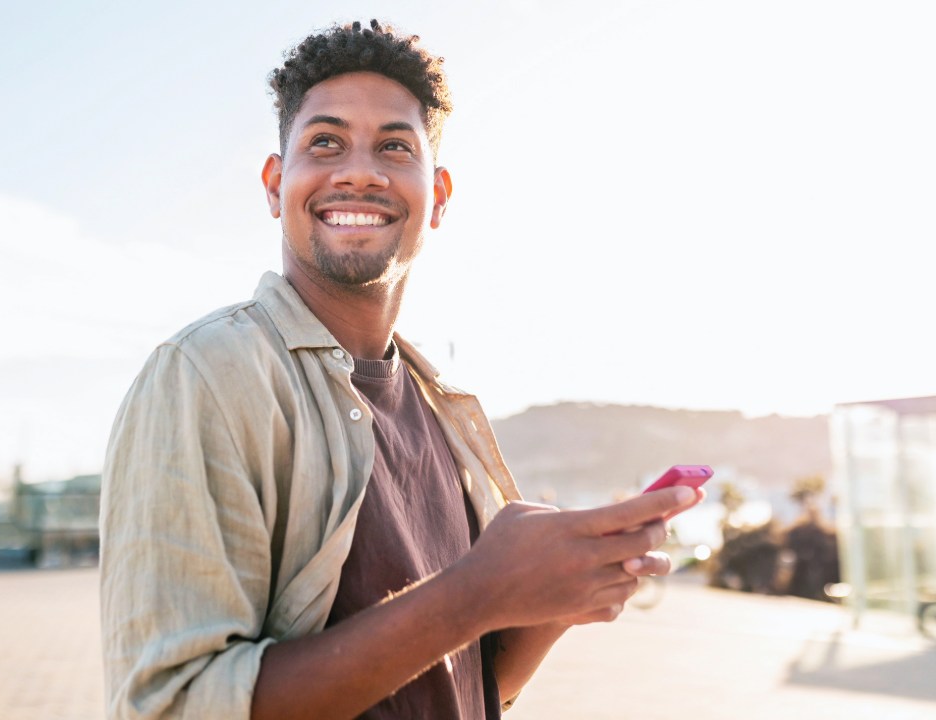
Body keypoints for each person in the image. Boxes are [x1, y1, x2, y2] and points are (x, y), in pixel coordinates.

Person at [99, 19, 703, 720]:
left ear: (438, 195)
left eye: (394, 146)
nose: (360, 171)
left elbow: (462, 687)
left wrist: (548, 603)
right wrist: (477, 591)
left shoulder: (443, 408)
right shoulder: (206, 375)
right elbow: (176, 707)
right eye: (325, 143)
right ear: (274, 183)